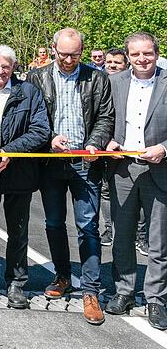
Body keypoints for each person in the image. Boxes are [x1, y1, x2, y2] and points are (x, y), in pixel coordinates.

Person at [26, 28, 114, 325]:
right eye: (63, 54)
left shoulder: (97, 78)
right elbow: (31, 117)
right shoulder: (37, 78)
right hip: (51, 162)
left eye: (75, 55)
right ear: (53, 49)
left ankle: (90, 290)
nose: (68, 60)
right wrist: (49, 137)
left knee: (88, 226)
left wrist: (95, 142)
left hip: (85, 162)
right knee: (52, 222)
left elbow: (105, 116)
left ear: (83, 51)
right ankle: (63, 276)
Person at [0, 45, 51, 308]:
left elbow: (40, 131)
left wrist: (8, 151)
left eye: (5, 66)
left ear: (14, 67)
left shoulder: (29, 93)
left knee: (17, 230)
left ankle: (16, 283)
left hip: (19, 173)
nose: (0, 71)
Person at [104, 32, 167, 330]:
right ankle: (125, 291)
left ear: (156, 53)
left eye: (148, 53)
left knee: (158, 242)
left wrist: (165, 148)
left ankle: (156, 299)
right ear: (128, 57)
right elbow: (103, 120)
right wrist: (109, 142)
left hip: (159, 169)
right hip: (123, 169)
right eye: (136, 54)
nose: (142, 59)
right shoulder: (114, 83)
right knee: (122, 236)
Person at [99, 48, 129, 247]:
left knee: (134, 192)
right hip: (104, 147)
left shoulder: (132, 84)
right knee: (106, 191)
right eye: (109, 62)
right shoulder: (99, 82)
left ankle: (138, 234)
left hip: (128, 148)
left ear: (125, 64)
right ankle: (109, 230)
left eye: (117, 62)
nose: (112, 65)